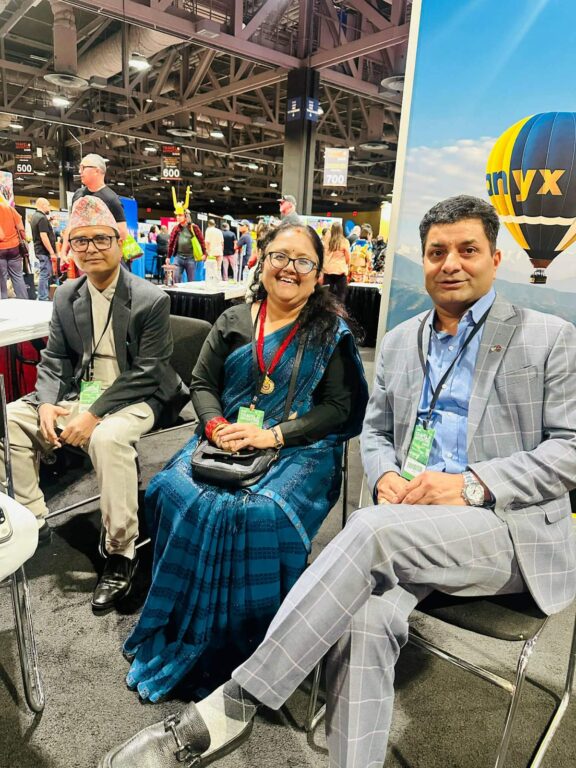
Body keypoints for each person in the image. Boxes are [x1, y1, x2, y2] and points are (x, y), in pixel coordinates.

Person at [102, 195, 576, 768]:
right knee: (363, 622)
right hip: (410, 519)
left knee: (369, 531)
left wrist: (471, 485)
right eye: (436, 252)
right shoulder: (401, 340)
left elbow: (570, 450)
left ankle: (234, 704)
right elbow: (375, 432)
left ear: (495, 259)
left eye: (467, 250)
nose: (451, 263)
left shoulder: (548, 337)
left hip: (502, 528)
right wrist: (387, 474)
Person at [120, 221, 368, 703]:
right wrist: (215, 427)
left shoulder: (329, 334)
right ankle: (178, 621)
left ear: (319, 274)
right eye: (280, 256)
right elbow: (202, 384)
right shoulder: (233, 319)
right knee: (171, 489)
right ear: (262, 260)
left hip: (299, 446)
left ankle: (256, 646)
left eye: (303, 261)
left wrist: (272, 434)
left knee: (258, 511)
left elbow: (339, 409)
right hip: (225, 437)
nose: (290, 268)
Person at [0, 196, 188, 613]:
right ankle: (34, 519)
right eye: (80, 241)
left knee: (106, 438)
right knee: (12, 417)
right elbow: (54, 359)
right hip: (79, 392)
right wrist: (46, 403)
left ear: (119, 243)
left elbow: (148, 371)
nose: (91, 249)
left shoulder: (150, 298)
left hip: (138, 394)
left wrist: (93, 414)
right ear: (70, 246)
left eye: (101, 239)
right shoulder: (67, 295)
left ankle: (121, 551)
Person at [62, 154, 128, 256]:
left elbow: (122, 233)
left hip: (101, 255)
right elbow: (71, 225)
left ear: (96, 171)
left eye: (83, 168)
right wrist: (64, 252)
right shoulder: (78, 194)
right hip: (80, 253)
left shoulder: (111, 199)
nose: (80, 171)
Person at [0, 195, 28, 299]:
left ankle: (2, 305)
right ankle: (24, 302)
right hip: (15, 248)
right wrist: (24, 240)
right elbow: (21, 229)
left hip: (1, 248)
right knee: (18, 276)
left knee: (1, 279)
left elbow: (1, 236)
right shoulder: (9, 208)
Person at [167, 209, 206, 283]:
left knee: (191, 282)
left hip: (191, 258)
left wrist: (204, 253)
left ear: (186, 216)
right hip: (178, 257)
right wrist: (168, 256)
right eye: (177, 215)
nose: (178, 217)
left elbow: (201, 241)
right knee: (175, 278)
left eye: (180, 215)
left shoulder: (193, 227)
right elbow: (171, 243)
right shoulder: (176, 228)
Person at [30, 197, 57, 301]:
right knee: (44, 273)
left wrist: (49, 220)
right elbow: (43, 236)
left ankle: (43, 295)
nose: (49, 208)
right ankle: (43, 297)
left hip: (39, 249)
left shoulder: (35, 217)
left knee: (44, 272)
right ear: (43, 205)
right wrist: (51, 252)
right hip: (43, 251)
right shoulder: (42, 218)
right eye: (48, 205)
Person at [323, 221, 350, 303]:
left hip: (328, 271)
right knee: (341, 296)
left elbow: (324, 255)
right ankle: (339, 310)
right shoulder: (344, 241)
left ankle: (327, 310)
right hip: (340, 271)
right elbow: (348, 258)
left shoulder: (327, 241)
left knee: (327, 296)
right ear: (341, 230)